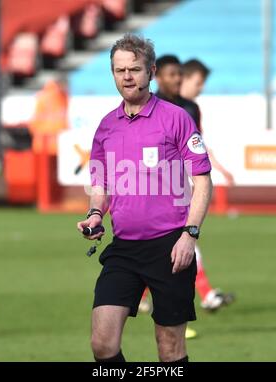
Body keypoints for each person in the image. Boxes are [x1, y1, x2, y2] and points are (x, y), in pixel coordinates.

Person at [77, 34, 212, 362]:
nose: (126, 76)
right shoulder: (106, 126)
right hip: (123, 249)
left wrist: (189, 235)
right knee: (102, 344)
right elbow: (102, 183)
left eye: (134, 69)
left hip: (170, 248)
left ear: (150, 71)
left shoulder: (177, 118)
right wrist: (96, 213)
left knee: (170, 349)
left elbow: (203, 181)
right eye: (119, 70)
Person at [138, 55, 234, 339]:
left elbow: (197, 149)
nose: (177, 80)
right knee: (177, 248)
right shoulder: (149, 107)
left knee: (180, 246)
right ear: (158, 76)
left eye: (180, 74)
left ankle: (171, 306)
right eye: (172, 74)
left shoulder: (190, 109)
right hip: (156, 190)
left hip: (182, 189)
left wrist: (211, 173)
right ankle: (188, 306)